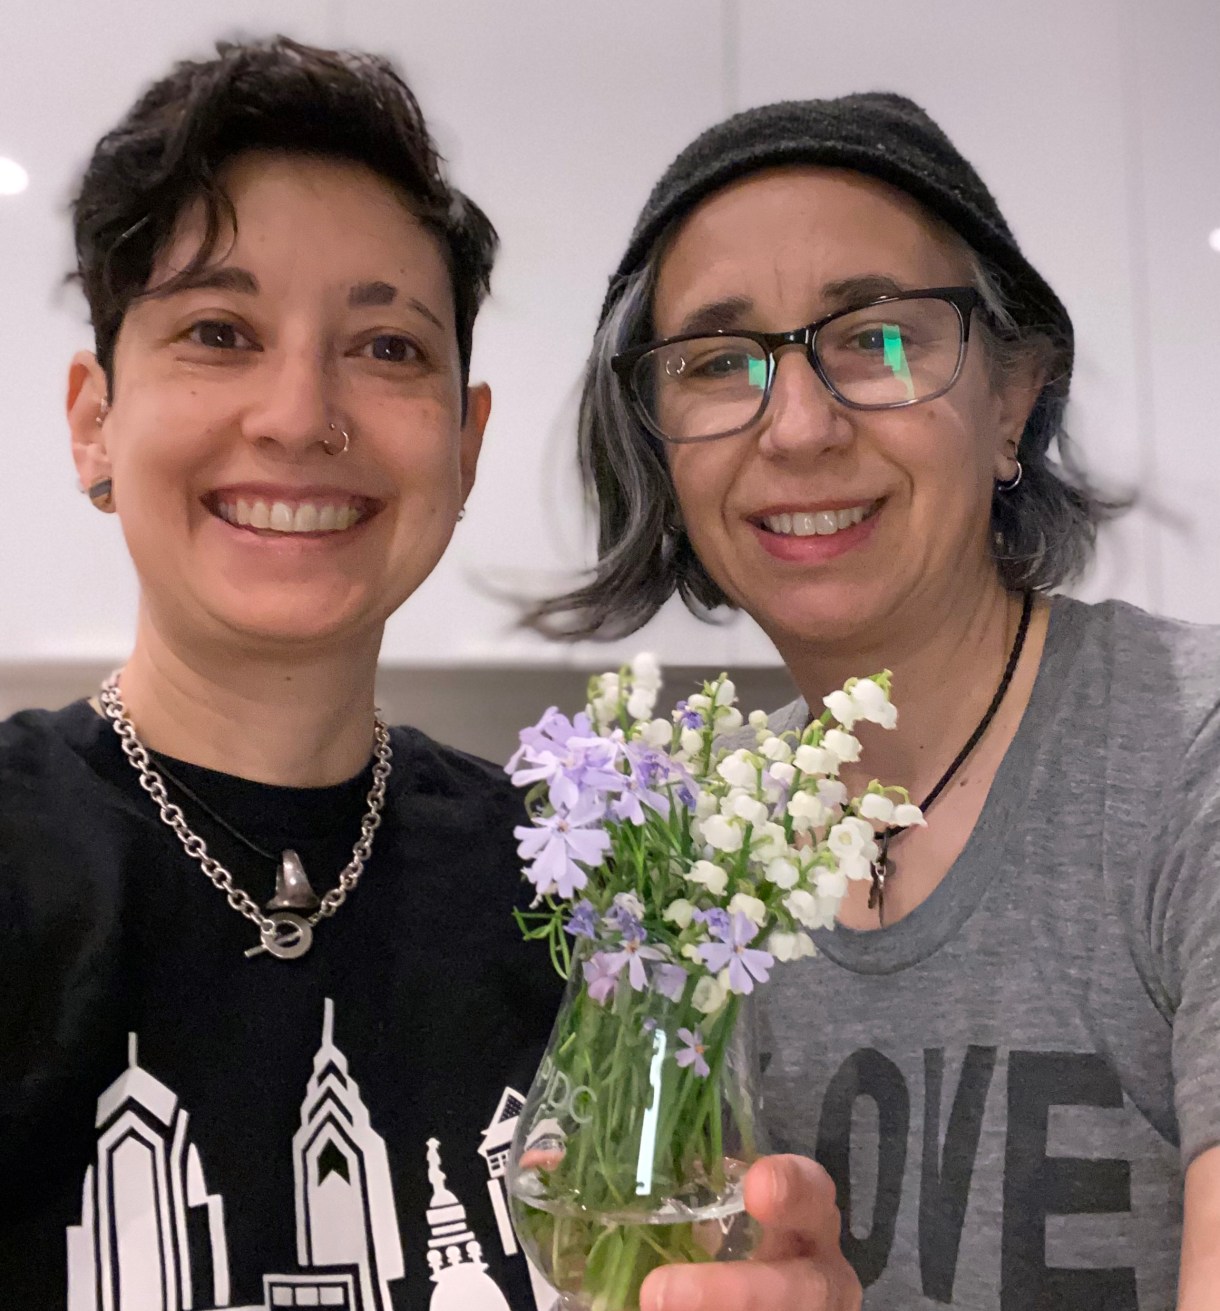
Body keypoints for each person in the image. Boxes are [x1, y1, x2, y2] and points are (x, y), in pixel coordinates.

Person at [0, 38, 854, 1311]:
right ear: (92, 421)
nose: (299, 414)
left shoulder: (593, 907)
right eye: (219, 331)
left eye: (388, 347)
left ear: (463, 445)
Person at [539, 92, 1220, 1309]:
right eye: (714, 363)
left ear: (1011, 398)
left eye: (876, 340)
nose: (796, 427)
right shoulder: (686, 877)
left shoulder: (1187, 757)